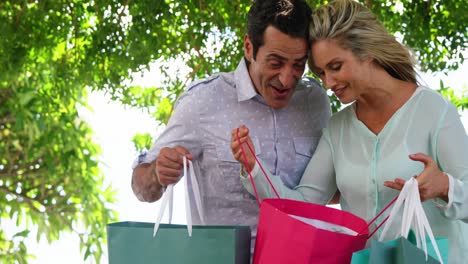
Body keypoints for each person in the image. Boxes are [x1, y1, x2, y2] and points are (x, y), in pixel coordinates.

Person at [231, 0, 468, 262]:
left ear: (367, 52)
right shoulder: (337, 129)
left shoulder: (434, 111)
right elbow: (302, 206)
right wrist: (254, 167)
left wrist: (445, 186)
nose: (329, 83)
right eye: (321, 72)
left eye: (335, 67)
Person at [131, 0, 331, 249]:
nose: (286, 78)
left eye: (298, 64)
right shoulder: (203, 100)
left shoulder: (316, 102)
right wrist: (157, 174)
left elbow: (326, 191)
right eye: (275, 63)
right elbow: (141, 187)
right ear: (249, 47)